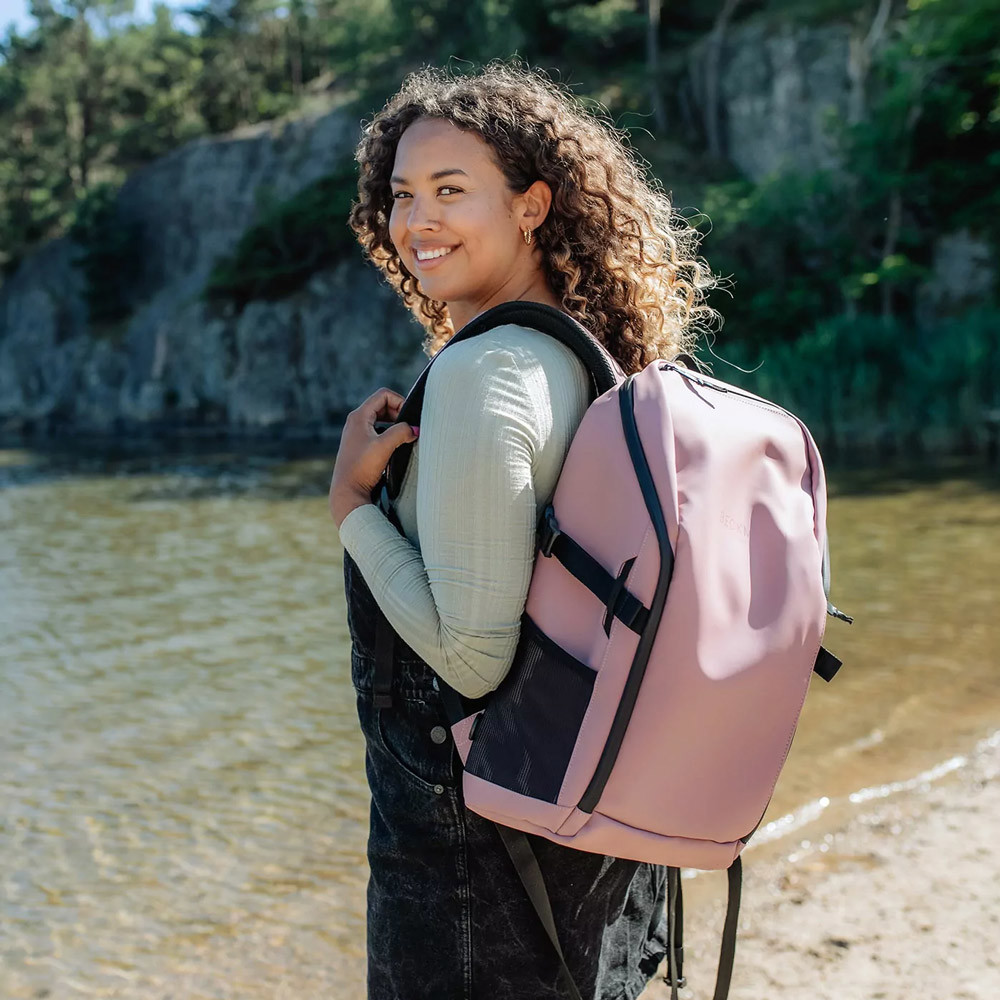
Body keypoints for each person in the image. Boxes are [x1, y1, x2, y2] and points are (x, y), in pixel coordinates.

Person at [329, 62, 717, 1000]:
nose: (417, 220)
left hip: (481, 871)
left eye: (452, 191)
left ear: (533, 205)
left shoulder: (485, 371)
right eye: (402, 194)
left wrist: (349, 508)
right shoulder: (584, 353)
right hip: (589, 829)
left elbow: (468, 655)